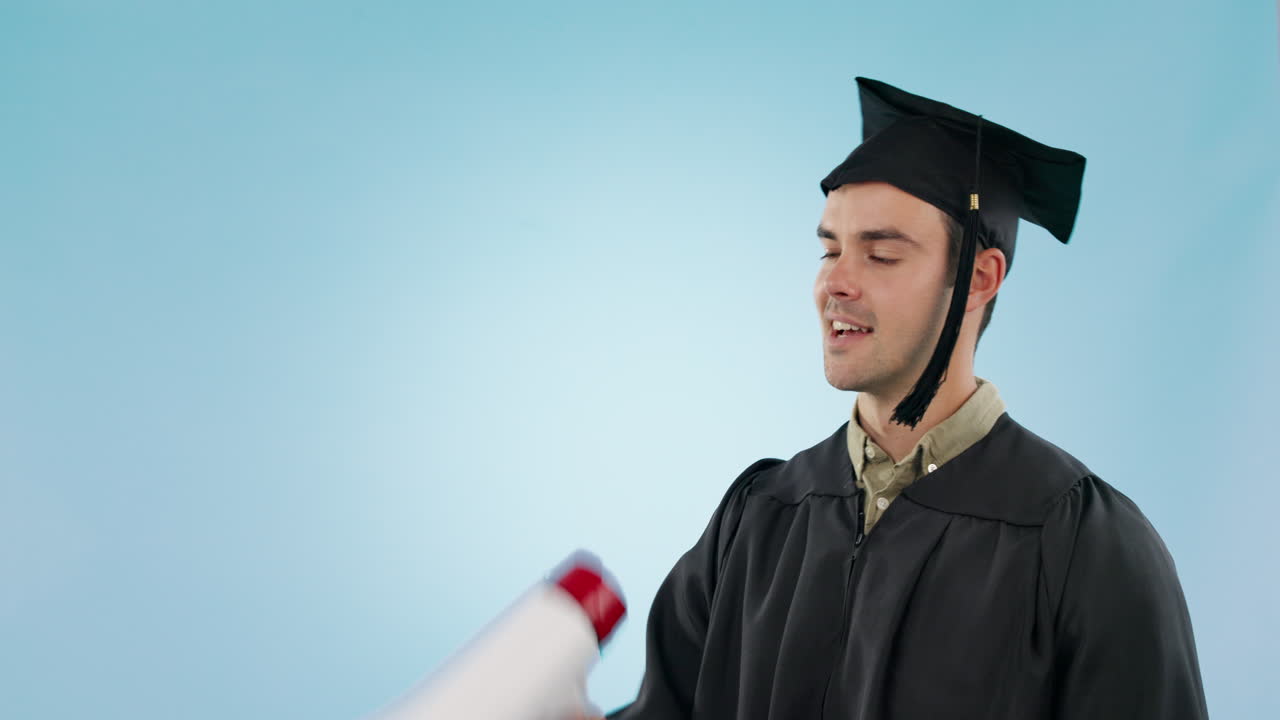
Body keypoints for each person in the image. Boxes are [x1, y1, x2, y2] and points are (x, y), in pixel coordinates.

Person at [603, 78, 1208, 719]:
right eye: (829, 249)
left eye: (881, 255)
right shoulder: (759, 518)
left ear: (978, 278)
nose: (835, 282)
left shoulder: (1084, 547)